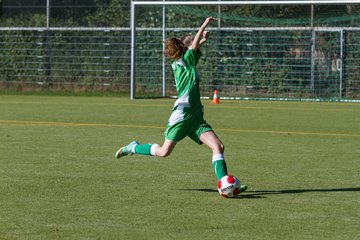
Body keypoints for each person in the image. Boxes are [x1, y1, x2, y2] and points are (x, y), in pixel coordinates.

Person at [115, 17, 246, 193]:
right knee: (163, 152)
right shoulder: (183, 62)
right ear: (185, 49)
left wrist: (202, 40)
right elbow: (193, 48)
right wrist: (203, 25)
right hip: (182, 115)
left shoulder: (188, 62)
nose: (196, 45)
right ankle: (133, 147)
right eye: (193, 44)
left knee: (218, 146)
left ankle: (225, 184)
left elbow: (195, 47)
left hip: (196, 116)